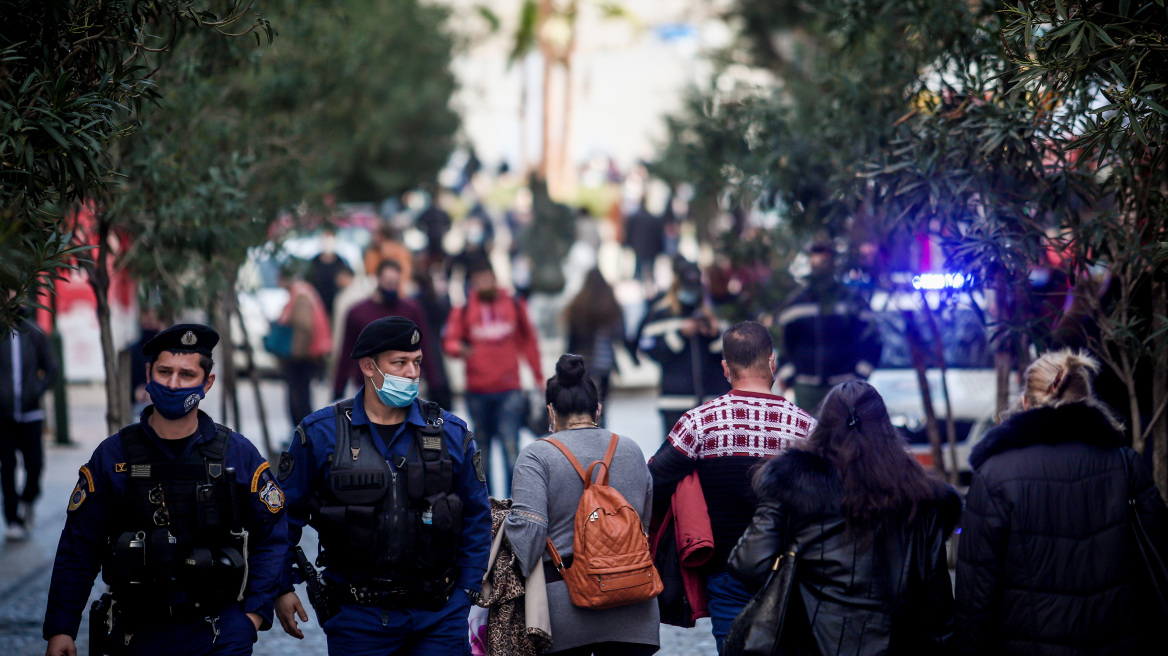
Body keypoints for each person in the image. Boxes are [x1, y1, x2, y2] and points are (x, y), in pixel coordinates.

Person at [43, 324, 288, 656]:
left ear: (207, 382)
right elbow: (79, 546)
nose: (173, 383)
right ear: (148, 373)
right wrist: (61, 628)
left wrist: (253, 616)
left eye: (187, 375)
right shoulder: (113, 456)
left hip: (218, 630)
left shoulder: (237, 453)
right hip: (137, 630)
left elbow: (271, 535)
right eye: (164, 371)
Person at [275, 316, 490, 655]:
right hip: (358, 617)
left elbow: (479, 516)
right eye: (399, 363)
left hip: (439, 616)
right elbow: (281, 517)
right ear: (368, 367)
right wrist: (282, 587)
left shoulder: (450, 432)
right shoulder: (320, 434)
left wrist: (467, 592)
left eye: (417, 362)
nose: (412, 372)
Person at [955, 349, 1168, 655]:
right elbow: (1158, 547)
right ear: (1088, 401)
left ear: (1025, 403)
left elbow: (976, 596)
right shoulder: (1125, 463)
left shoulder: (994, 475)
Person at [727, 380, 960, 655]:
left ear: (824, 426)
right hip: (897, 644)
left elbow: (750, 563)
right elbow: (936, 600)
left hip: (810, 643)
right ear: (885, 428)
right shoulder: (924, 498)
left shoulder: (791, 481)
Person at [647, 321, 816, 651]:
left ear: (725, 368)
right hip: (791, 571)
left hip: (725, 571)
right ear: (773, 362)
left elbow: (652, 481)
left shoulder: (699, 423)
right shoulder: (805, 427)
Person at [505, 354, 660, 656]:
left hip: (567, 611)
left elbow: (528, 539)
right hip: (635, 606)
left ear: (551, 412)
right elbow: (644, 521)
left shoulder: (537, 456)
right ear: (598, 410)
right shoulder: (630, 449)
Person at [443, 257, 543, 496]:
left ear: (495, 278)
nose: (483, 284)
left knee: (511, 449)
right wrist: (460, 349)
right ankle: (486, 507)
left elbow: (529, 341)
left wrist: (539, 378)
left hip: (510, 389)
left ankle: (515, 504)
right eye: (478, 281)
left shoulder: (514, 304)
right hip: (477, 390)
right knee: (482, 453)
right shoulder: (464, 308)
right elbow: (449, 341)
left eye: (487, 278)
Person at [775, 242, 882, 414]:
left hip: (844, 385)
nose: (820, 263)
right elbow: (785, 344)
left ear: (833, 261)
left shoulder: (851, 301)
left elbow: (873, 341)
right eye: (815, 257)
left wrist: (859, 375)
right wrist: (790, 376)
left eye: (824, 257)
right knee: (810, 437)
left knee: (843, 437)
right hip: (806, 388)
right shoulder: (795, 303)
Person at [333, 259, 450, 408]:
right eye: (388, 281)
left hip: (403, 384)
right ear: (378, 279)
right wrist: (338, 389)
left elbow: (424, 347)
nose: (391, 286)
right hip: (368, 384)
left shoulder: (411, 310)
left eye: (395, 282)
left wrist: (435, 384)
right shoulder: (358, 313)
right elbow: (347, 353)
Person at [633, 261, 730, 440]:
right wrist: (680, 335)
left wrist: (714, 334)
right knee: (676, 464)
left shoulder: (712, 313)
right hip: (674, 403)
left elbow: (731, 354)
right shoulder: (661, 313)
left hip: (711, 403)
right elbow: (649, 349)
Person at [1, 300, 59, 541]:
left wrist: (36, 389)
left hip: (31, 414)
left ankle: (28, 499)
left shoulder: (35, 332)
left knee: (35, 464)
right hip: (3, 415)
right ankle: (12, 519)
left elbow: (52, 368)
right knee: (7, 467)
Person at [276, 263, 333, 428]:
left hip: (302, 357)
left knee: (299, 397)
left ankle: (304, 434)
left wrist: (295, 354)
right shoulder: (304, 291)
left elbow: (304, 327)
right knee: (301, 395)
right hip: (305, 355)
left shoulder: (300, 296)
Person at [564, 269, 625, 421]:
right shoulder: (611, 304)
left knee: (585, 401)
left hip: (585, 361)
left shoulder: (579, 305)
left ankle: (588, 425)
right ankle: (601, 428)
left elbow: (572, 339)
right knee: (603, 401)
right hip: (605, 360)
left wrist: (566, 364)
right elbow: (621, 334)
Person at [310, 229, 355, 320]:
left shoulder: (342, 263)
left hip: (337, 308)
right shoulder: (314, 263)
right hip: (317, 308)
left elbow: (351, 282)